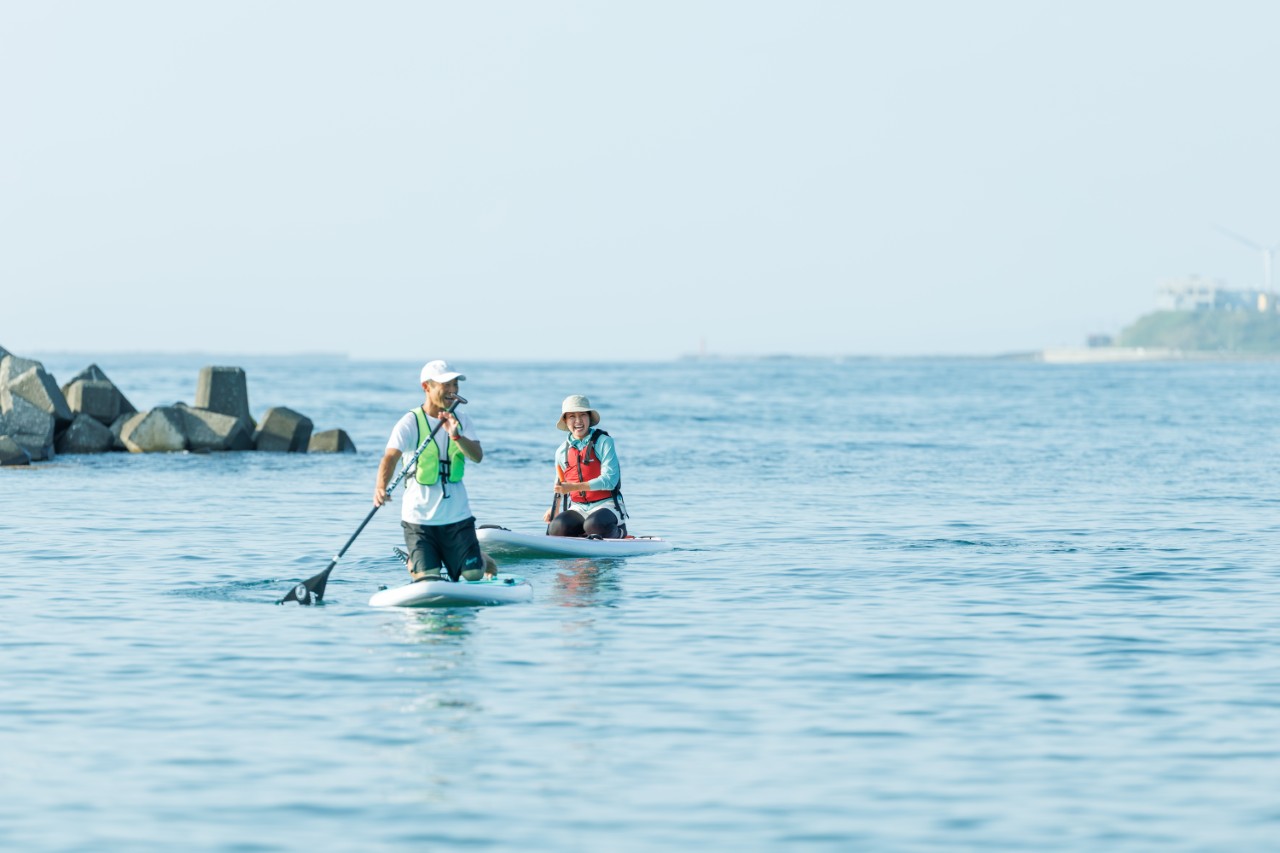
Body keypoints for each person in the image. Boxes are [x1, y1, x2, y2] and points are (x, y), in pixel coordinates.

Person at [375, 359, 496, 582]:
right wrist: (381, 487)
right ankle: (416, 561)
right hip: (419, 519)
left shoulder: (462, 421)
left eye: (455, 385)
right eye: (446, 385)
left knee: (473, 575)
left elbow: (477, 456)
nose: (452, 391)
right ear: (426, 387)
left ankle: (480, 558)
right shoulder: (410, 422)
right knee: (428, 580)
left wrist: (456, 435)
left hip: (457, 516)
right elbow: (390, 457)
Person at [542, 394, 628, 539]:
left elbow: (610, 480)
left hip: (607, 505)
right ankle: (583, 536)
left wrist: (575, 487)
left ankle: (620, 532)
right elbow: (560, 486)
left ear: (589, 418)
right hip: (579, 507)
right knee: (557, 527)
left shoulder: (604, 442)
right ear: (565, 420)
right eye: (572, 416)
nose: (578, 421)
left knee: (593, 524)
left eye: (582, 415)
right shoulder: (561, 451)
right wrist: (553, 510)